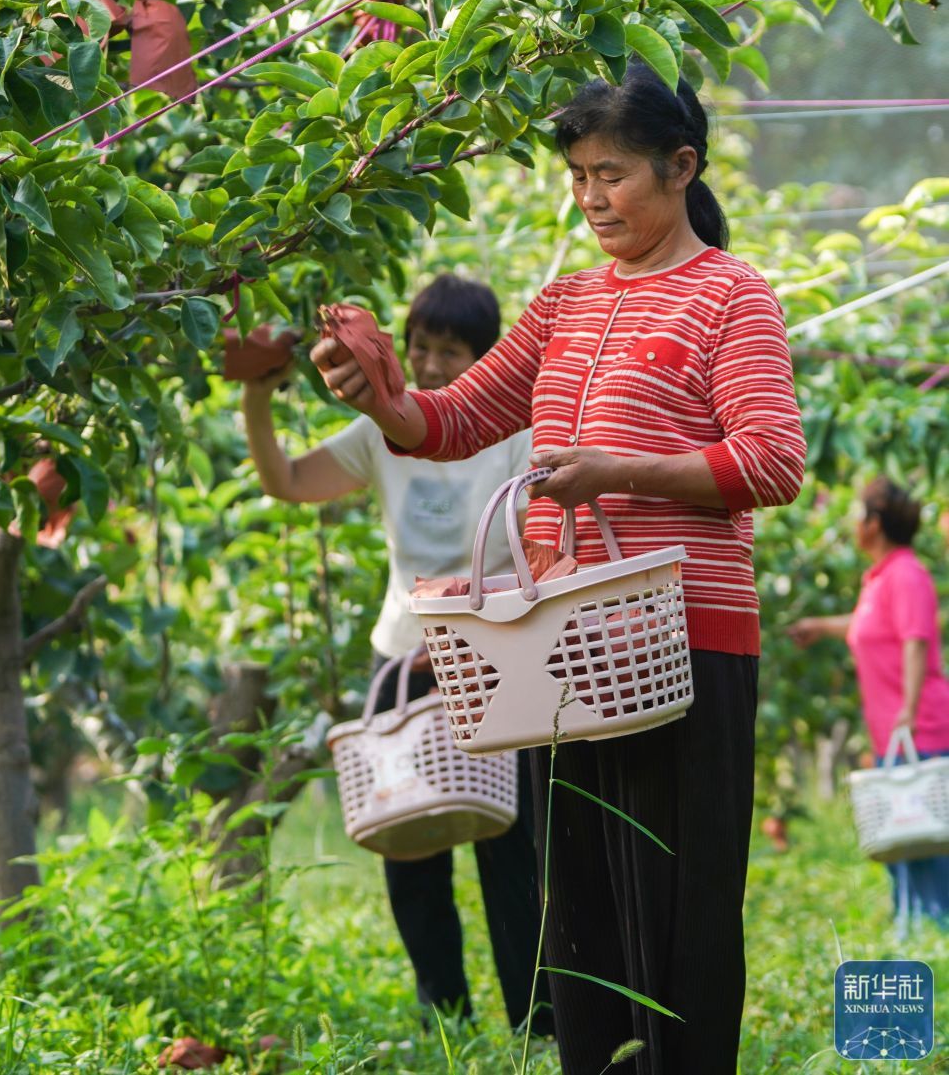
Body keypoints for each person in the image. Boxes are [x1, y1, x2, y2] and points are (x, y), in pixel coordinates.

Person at [311, 62, 806, 1075]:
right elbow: (448, 423)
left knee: (680, 906)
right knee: (578, 910)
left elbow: (771, 460)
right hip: (568, 656)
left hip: (685, 645)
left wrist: (617, 470)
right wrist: (378, 391)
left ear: (681, 168)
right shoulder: (564, 304)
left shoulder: (730, 295)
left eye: (610, 174)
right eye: (577, 175)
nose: (589, 197)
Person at [243, 274, 552, 1038]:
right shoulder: (382, 430)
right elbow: (285, 481)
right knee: (408, 844)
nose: (433, 366)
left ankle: (536, 1022)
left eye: (453, 352)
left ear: (487, 358)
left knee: (510, 849)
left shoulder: (516, 431)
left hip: (494, 661)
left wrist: (467, 636)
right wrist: (258, 392)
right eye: (420, 348)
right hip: (401, 660)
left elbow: (537, 552)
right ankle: (442, 1013)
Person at [789, 477, 949, 928]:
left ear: (874, 524)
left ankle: (934, 935)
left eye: (859, 514)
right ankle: (913, 931)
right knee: (906, 836)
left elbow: (916, 642)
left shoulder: (906, 573)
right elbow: (867, 624)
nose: (854, 523)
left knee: (930, 838)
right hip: (895, 731)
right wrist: (820, 626)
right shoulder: (879, 577)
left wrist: (909, 709)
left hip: (921, 727)